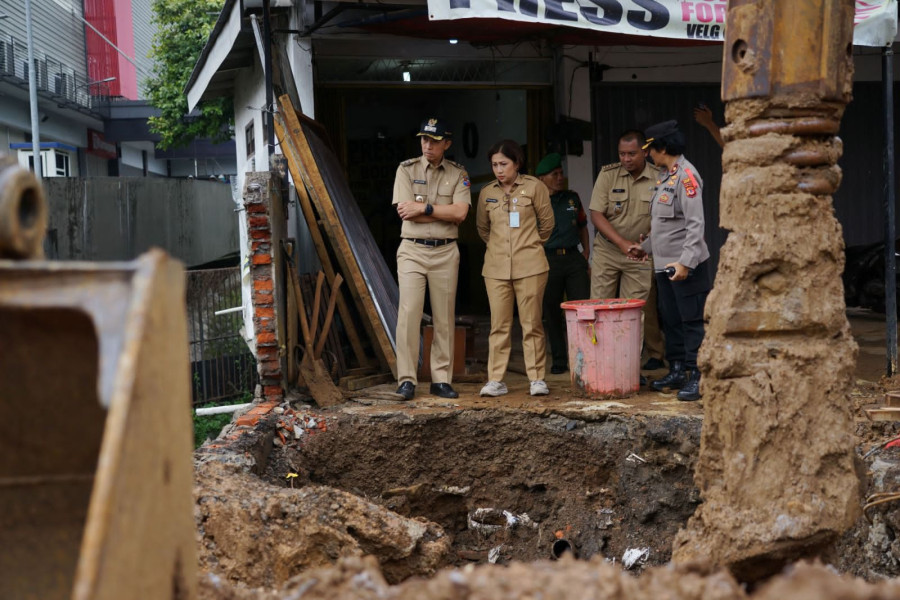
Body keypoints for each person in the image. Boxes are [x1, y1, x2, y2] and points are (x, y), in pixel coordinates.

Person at [629, 120, 711, 402]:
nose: (649, 155)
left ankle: (697, 376)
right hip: (665, 266)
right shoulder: (666, 177)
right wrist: (645, 248)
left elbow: (695, 225)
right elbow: (665, 226)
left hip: (686, 267)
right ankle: (677, 370)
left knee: (692, 321)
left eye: (651, 149)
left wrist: (686, 263)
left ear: (663, 147)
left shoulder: (687, 176)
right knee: (672, 321)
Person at [392, 117, 471, 401]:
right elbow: (404, 210)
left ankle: (441, 379)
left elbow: (460, 213)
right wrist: (441, 210)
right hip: (412, 249)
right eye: (424, 139)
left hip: (445, 251)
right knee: (409, 314)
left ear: (446, 144)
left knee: (443, 317)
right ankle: (406, 379)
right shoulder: (406, 169)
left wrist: (423, 207)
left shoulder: (458, 174)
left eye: (434, 141)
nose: (428, 145)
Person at [476, 140, 555, 397]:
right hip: (496, 268)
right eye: (494, 165)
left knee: (532, 324)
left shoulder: (535, 187)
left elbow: (547, 225)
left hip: (530, 266)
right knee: (499, 325)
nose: (499, 170)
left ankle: (536, 378)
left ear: (517, 163)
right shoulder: (486, 192)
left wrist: (528, 246)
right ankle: (496, 380)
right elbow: (483, 229)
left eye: (504, 164)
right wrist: (501, 248)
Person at [588, 130, 663, 374]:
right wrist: (621, 243)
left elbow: (664, 217)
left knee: (634, 312)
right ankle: (599, 366)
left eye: (632, 154)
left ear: (644, 152)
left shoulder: (658, 177)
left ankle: (629, 368)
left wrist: (648, 244)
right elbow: (596, 214)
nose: (626, 159)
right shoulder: (608, 175)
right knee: (599, 308)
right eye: (622, 154)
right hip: (609, 251)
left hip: (641, 253)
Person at [535, 152, 590, 375]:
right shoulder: (534, 203)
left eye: (561, 173)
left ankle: (584, 357)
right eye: (554, 174)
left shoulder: (572, 198)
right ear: (541, 179)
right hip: (547, 260)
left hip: (573, 259)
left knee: (582, 309)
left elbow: (582, 226)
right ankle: (559, 360)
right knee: (552, 311)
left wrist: (586, 252)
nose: (560, 177)